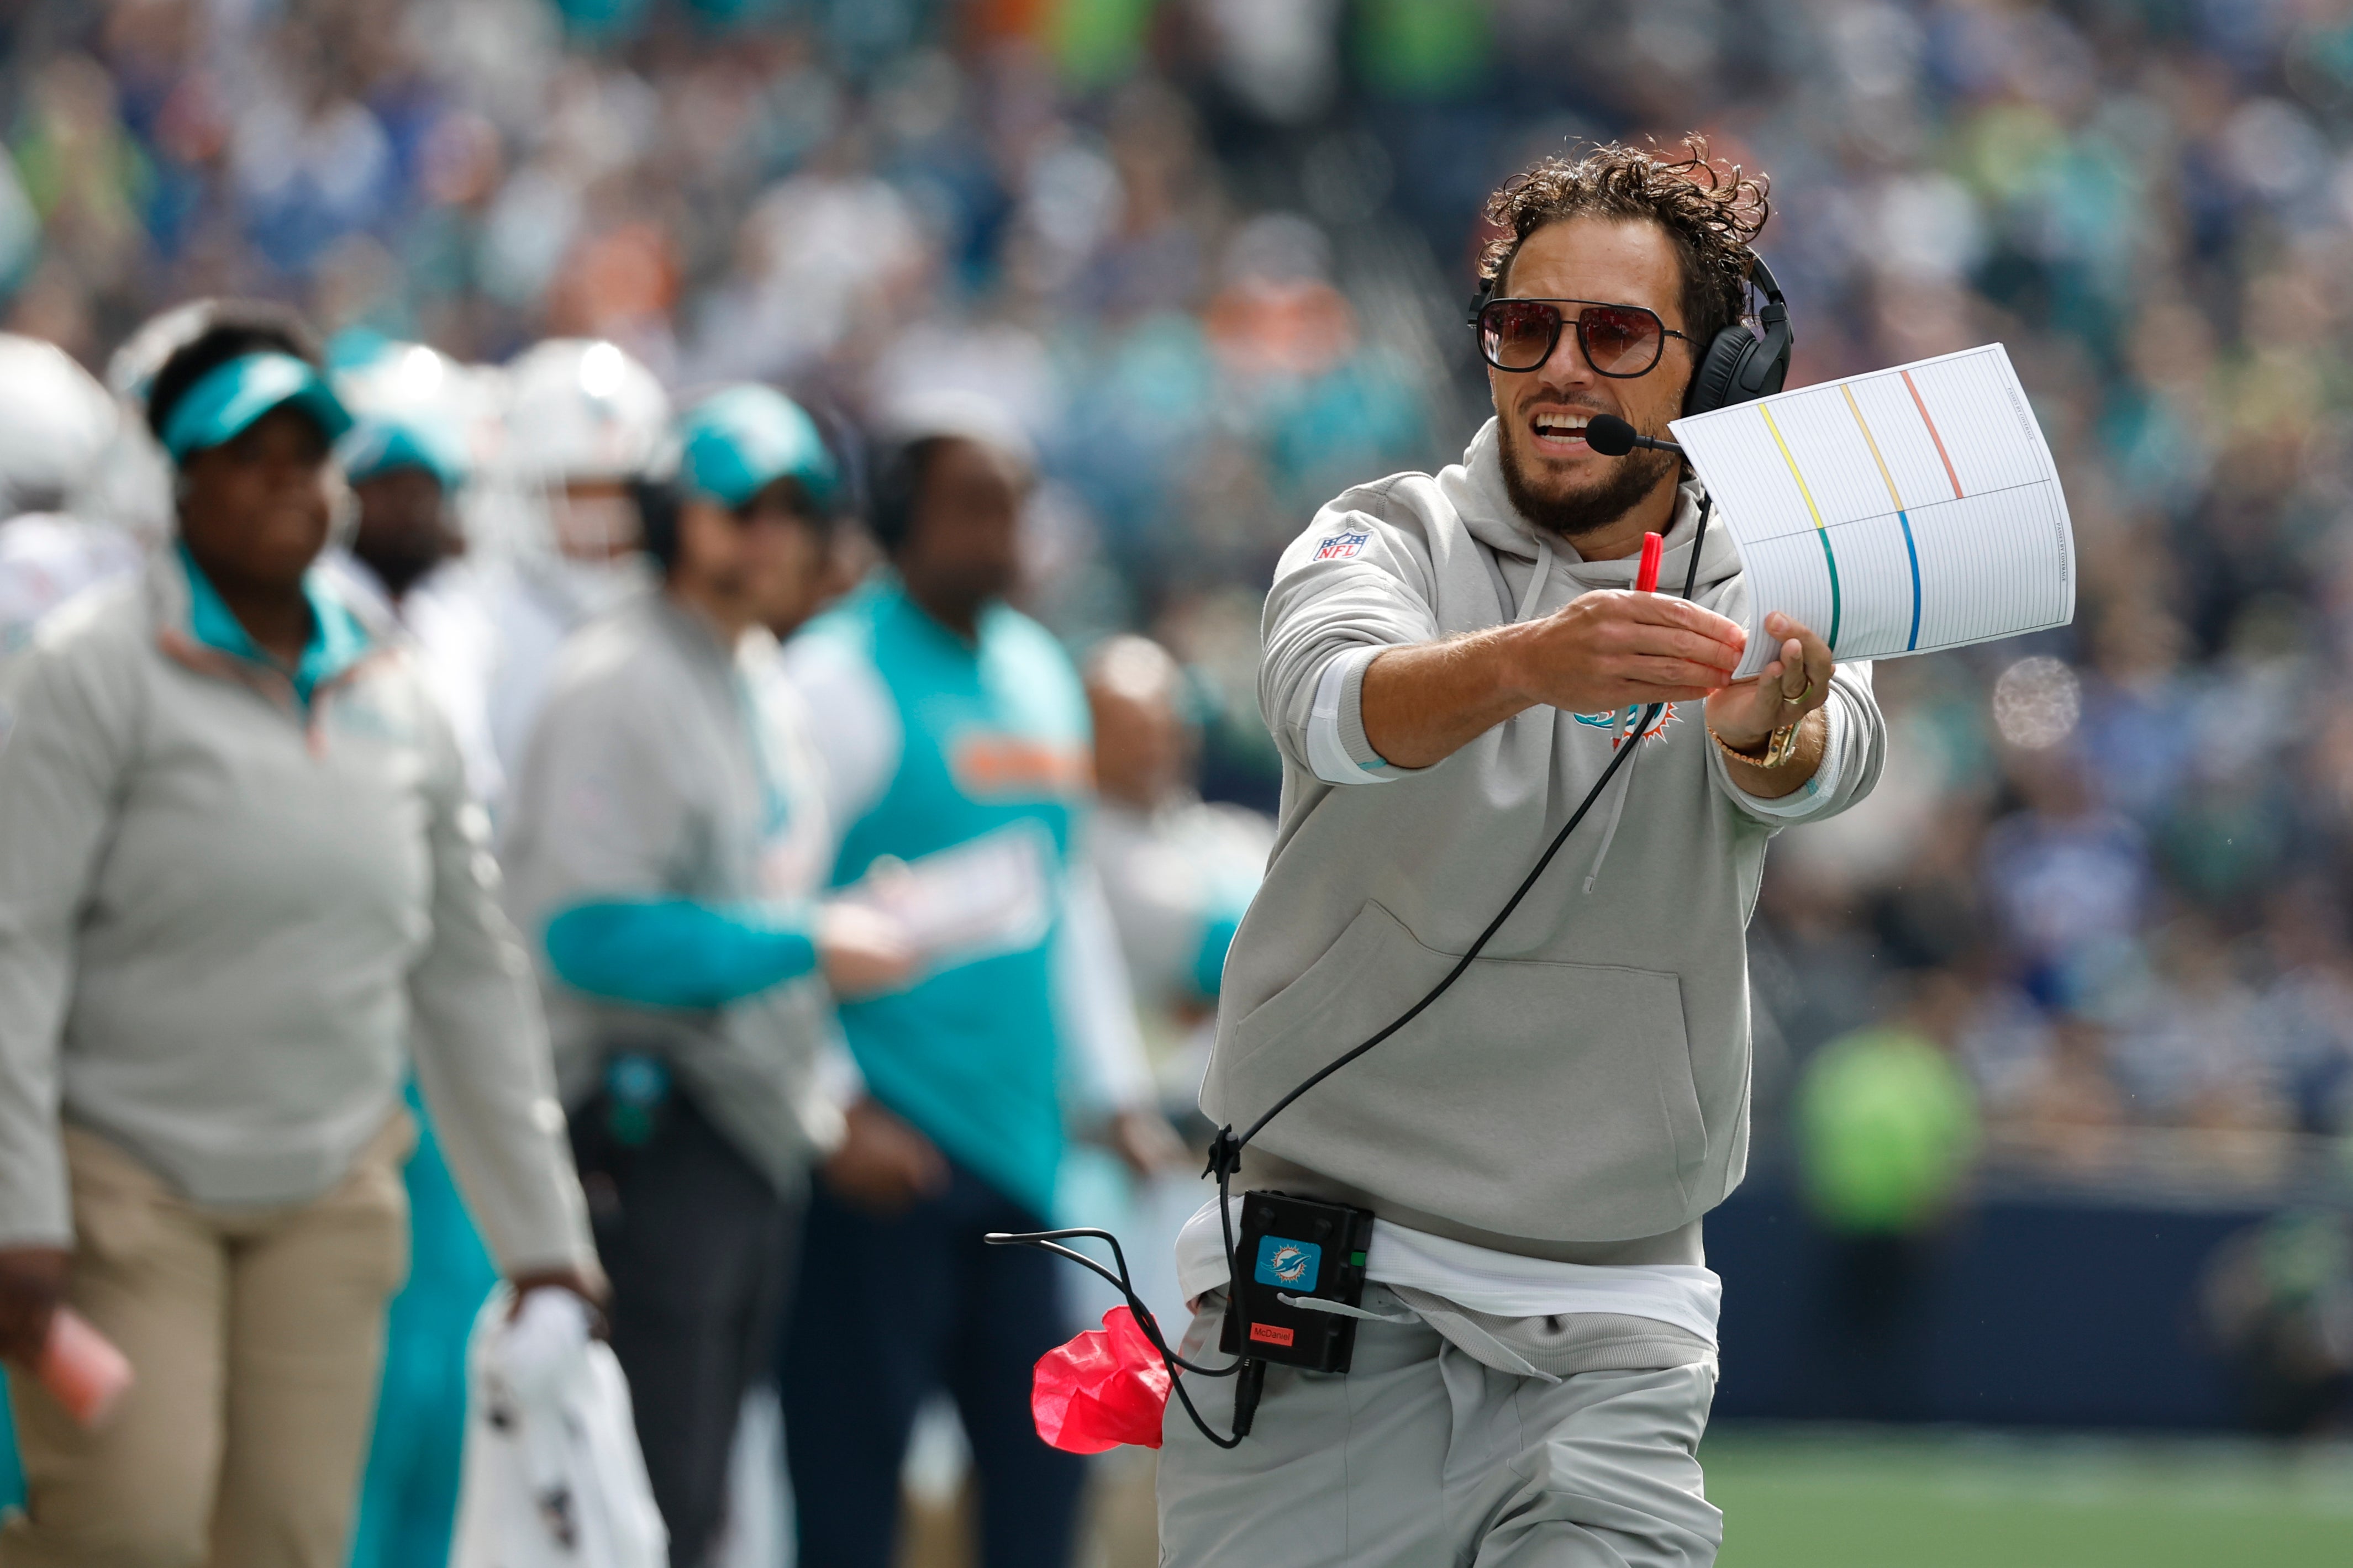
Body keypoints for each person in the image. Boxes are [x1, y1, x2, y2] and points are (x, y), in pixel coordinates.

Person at [1157, 142, 1888, 1566]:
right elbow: (1325, 700)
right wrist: (1527, 664)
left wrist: (1764, 728)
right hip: (1326, 1284)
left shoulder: (1780, 573)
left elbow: (1836, 754)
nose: (1559, 366)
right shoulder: (1377, 530)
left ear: (1718, 366)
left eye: (1613, 332)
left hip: (1611, 1313)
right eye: (1523, 326)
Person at [0, 302, 599, 1568]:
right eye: (246, 449)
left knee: (286, 1540)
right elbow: (18, 941)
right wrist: (21, 1206)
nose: (287, 475)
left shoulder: (396, 689)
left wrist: (545, 1241)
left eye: (310, 449)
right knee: (131, 1528)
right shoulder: (90, 669)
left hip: (327, 1187)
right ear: (181, 481)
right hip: (127, 1184)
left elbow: (469, 975)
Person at [497, 384, 912, 1568]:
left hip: (739, 1134)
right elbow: (585, 932)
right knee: (647, 1506)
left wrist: (824, 928)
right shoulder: (617, 675)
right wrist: (808, 940)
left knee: (695, 1504)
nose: (771, 535)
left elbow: (751, 897)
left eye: (797, 508)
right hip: (645, 1129)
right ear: (673, 516)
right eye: (740, 509)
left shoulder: (755, 675)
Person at [779, 400, 1173, 1568]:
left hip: (1018, 1156)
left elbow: (1063, 899)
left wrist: (1110, 1091)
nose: (1001, 531)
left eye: (1012, 503)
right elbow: (774, 911)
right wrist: (831, 1103)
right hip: (883, 1155)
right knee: (850, 1489)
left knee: (1037, 1489)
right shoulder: (828, 680)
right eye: (971, 505)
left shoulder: (1039, 671)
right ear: (897, 521)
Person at [478, 337, 670, 785]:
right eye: (581, 492)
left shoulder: (683, 621)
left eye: (623, 493)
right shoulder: (482, 638)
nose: (609, 519)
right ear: (523, 494)